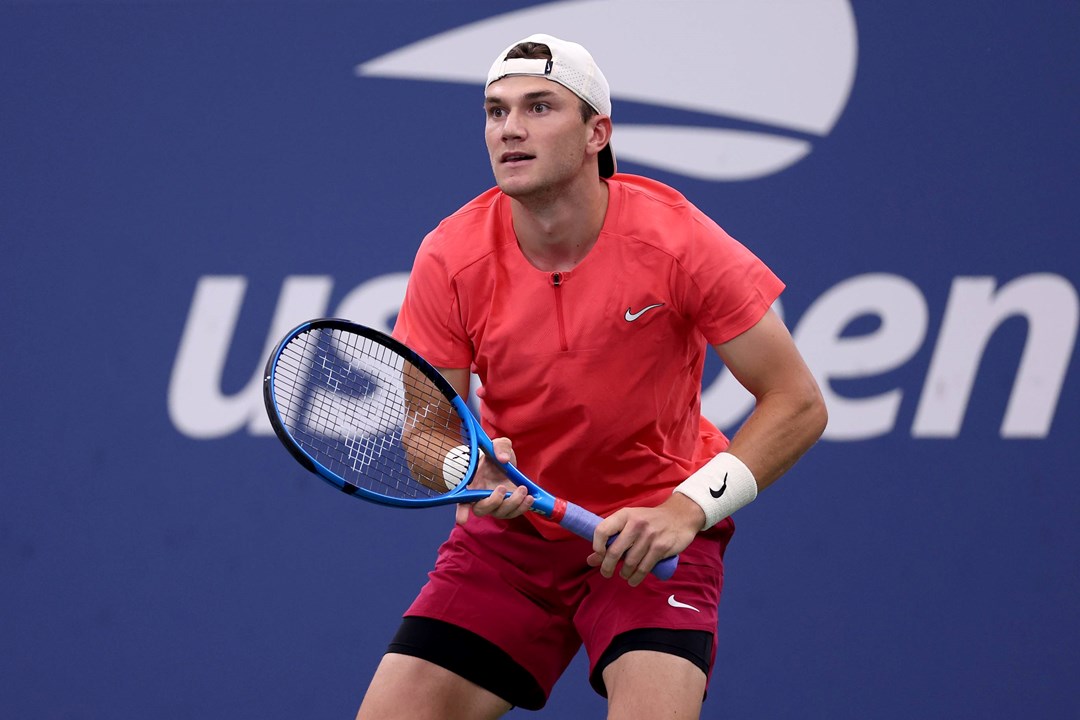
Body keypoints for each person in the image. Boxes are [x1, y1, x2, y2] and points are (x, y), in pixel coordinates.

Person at [356, 33, 827, 720]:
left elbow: (798, 403)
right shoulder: (450, 255)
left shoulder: (678, 240)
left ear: (595, 133)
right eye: (495, 111)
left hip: (653, 528)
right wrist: (469, 467)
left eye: (539, 107)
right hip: (514, 543)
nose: (510, 129)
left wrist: (685, 511)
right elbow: (428, 425)